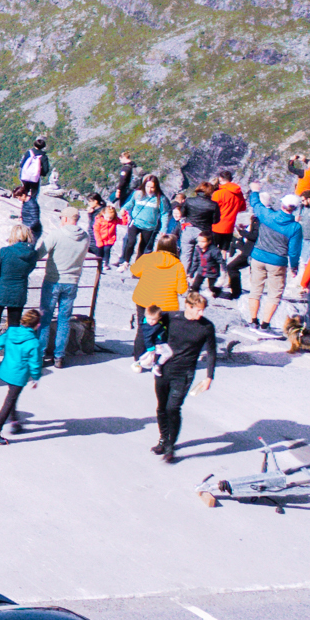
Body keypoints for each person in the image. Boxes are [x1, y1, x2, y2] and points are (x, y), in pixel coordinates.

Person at [149, 291, 218, 465]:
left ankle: (171, 446)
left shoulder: (206, 327)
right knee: (161, 408)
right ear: (188, 306)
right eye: (198, 310)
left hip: (184, 373)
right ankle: (163, 440)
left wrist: (209, 376)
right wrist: (149, 350)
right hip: (164, 369)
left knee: (173, 408)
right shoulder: (171, 317)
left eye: (203, 310)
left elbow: (211, 352)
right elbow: (149, 318)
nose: (201, 314)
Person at [0, 308, 44, 447]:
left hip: (6, 371)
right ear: (37, 325)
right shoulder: (34, 343)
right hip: (18, 376)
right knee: (9, 401)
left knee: (12, 397)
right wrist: (36, 378)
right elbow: (35, 364)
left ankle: (15, 422)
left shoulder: (11, 332)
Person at [245, 193, 305, 331]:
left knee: (255, 290)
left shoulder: (268, 215)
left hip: (258, 256)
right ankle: (265, 325)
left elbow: (256, 204)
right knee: (274, 294)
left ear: (282, 204)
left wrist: (254, 192)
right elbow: (294, 251)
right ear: (294, 209)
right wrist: (294, 267)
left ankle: (253, 320)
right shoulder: (295, 227)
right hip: (277, 262)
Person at [37, 211, 89, 368]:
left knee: (45, 319)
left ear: (65, 218)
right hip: (72, 281)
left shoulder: (56, 235)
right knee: (64, 320)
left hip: (53, 280)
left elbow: (39, 253)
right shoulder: (85, 237)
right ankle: (59, 356)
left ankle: (39, 355)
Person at [130, 236, 187, 369]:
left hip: (144, 299)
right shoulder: (178, 265)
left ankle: (139, 360)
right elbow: (182, 289)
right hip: (166, 304)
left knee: (142, 329)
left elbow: (134, 271)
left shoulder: (147, 258)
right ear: (175, 247)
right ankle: (158, 362)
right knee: (162, 332)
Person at [0, 224, 35, 344]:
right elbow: (29, 270)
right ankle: (11, 357)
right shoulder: (32, 254)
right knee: (14, 326)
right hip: (18, 293)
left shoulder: (5, 251)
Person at [123, 176, 167, 263]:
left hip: (149, 226)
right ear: (144, 185)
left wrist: (163, 228)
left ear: (156, 187)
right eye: (147, 186)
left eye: (152, 187)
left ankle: (137, 267)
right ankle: (126, 262)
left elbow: (164, 213)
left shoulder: (160, 198)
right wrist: (123, 209)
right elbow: (130, 203)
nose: (149, 189)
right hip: (135, 222)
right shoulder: (137, 194)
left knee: (142, 247)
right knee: (131, 242)